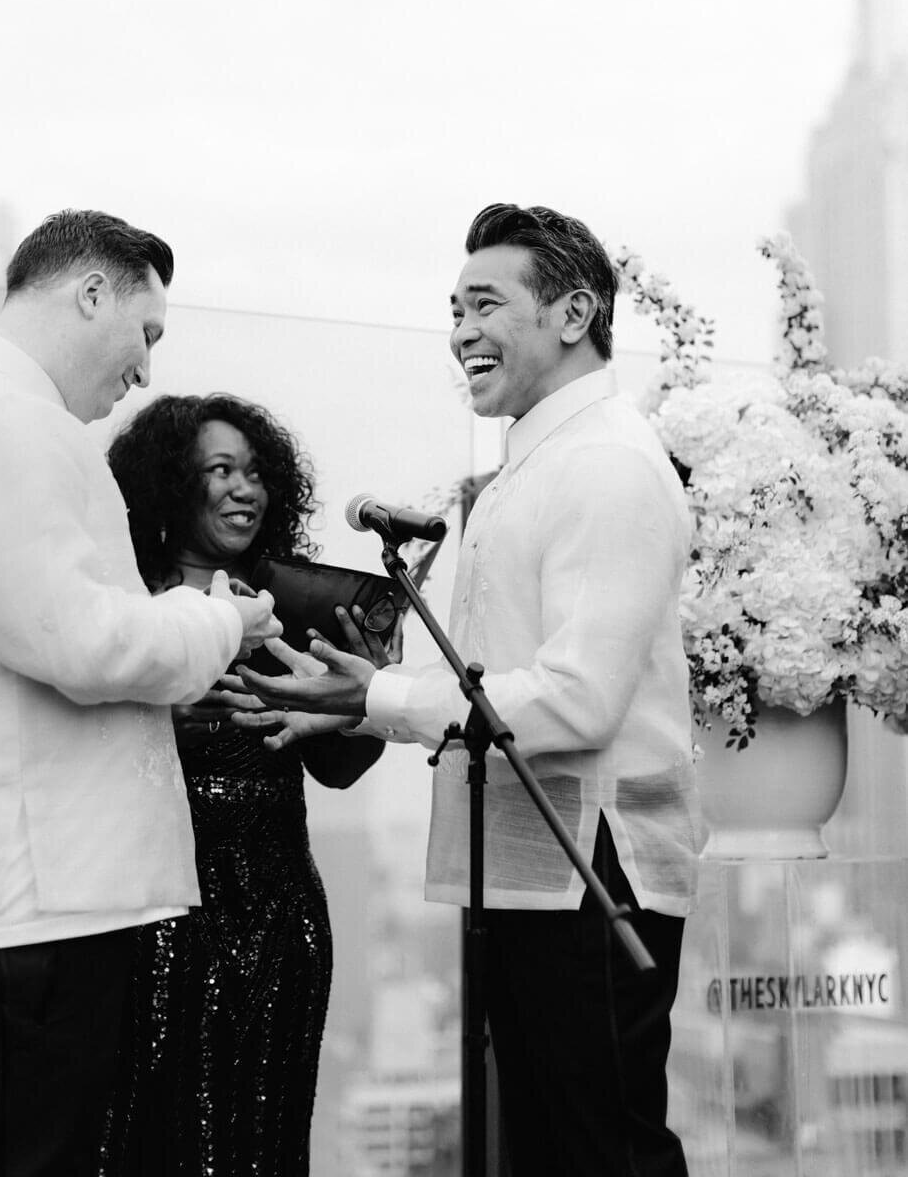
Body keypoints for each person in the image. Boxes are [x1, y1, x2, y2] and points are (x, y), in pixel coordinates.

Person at [235, 202, 701, 1177]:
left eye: (485, 303)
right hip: (527, 865)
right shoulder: (529, 463)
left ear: (573, 314)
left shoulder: (608, 462)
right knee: (536, 1144)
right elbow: (500, 682)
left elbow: (577, 700)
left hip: (592, 873)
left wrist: (383, 699)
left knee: (600, 1148)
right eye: (453, 307)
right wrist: (372, 691)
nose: (458, 332)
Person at [0, 210, 280, 1177]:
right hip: (22, 913)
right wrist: (225, 619)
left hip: (26, 904)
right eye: (147, 334)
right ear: (91, 292)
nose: (144, 372)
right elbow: (84, 644)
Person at [99, 393, 390, 1177]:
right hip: (156, 914)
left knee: (262, 1144)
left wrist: (365, 696)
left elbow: (339, 769)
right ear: (168, 485)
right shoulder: (123, 604)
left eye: (256, 473)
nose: (244, 489)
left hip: (280, 914)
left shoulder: (288, 608)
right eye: (219, 470)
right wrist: (161, 721)